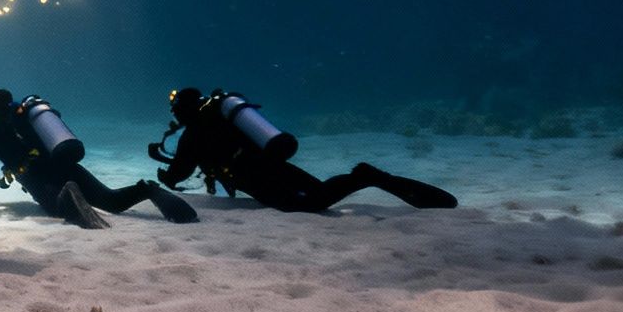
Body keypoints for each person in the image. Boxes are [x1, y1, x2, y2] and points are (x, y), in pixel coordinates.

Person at [150, 87, 456, 212]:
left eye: (176, 111)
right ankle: (367, 177)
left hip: (254, 175)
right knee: (319, 192)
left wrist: (164, 174)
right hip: (269, 159)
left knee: (311, 204)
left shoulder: (193, 133)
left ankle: (364, 176)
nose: (175, 117)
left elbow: (181, 172)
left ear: (183, 111)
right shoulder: (220, 115)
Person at [0, 88, 197, 228]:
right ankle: (148, 189)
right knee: (112, 201)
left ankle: (68, 191)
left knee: (58, 207)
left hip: (40, 180)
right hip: (67, 165)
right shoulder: (29, 117)